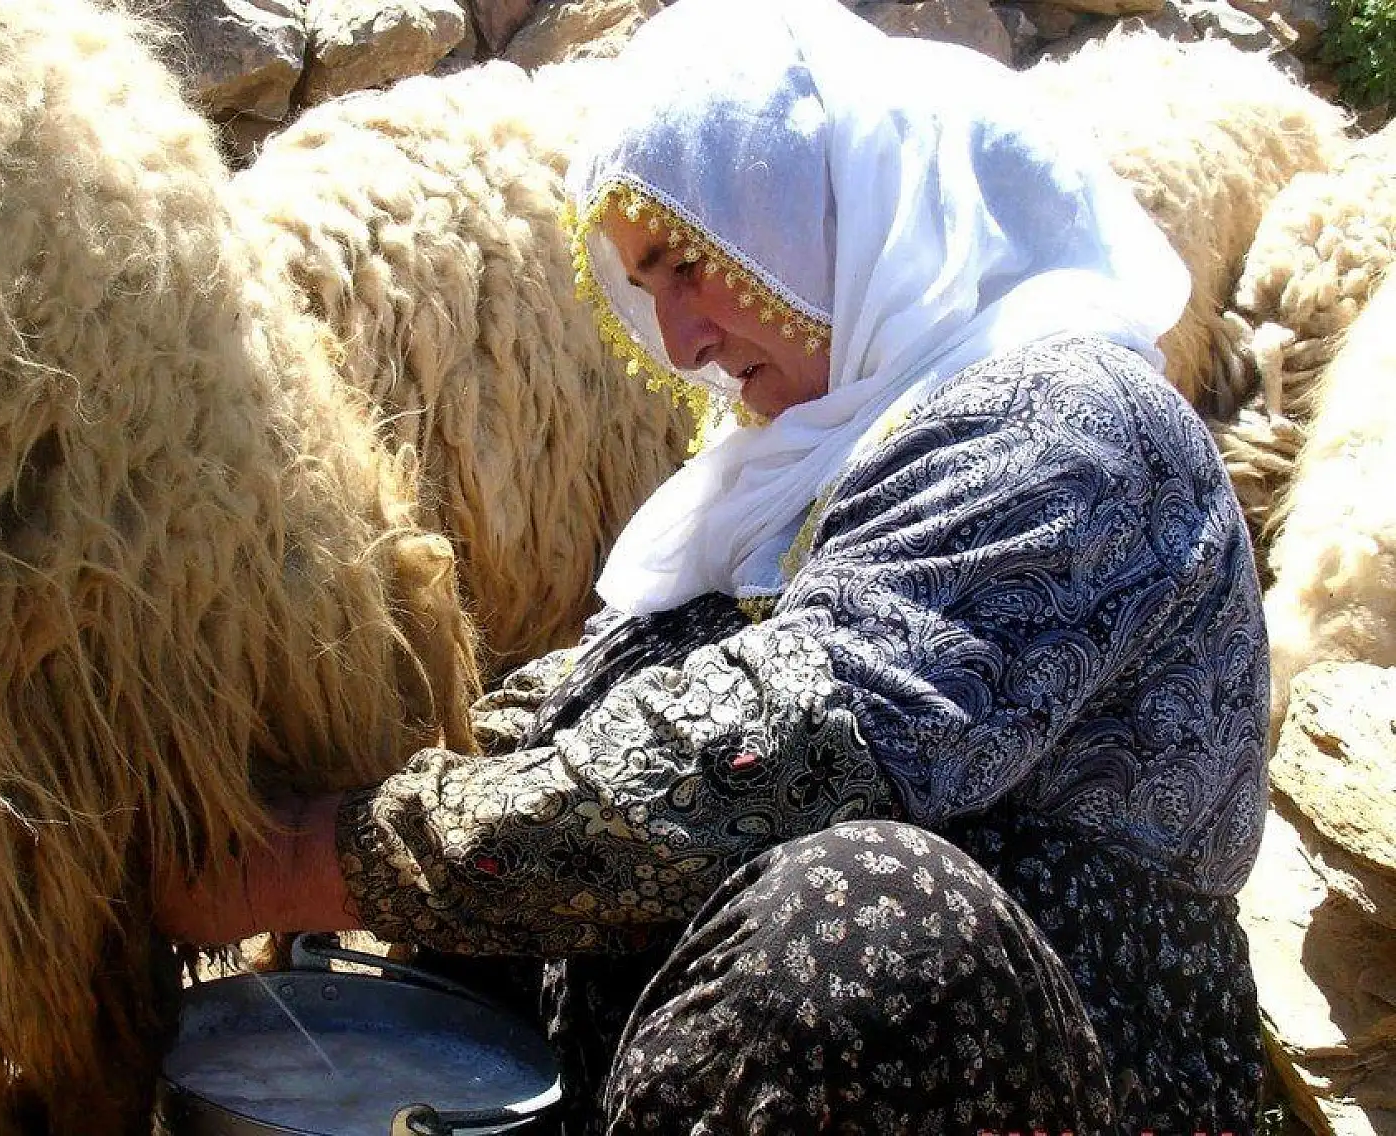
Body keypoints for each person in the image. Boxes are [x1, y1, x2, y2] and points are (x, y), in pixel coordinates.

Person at [158, 0, 1270, 1130]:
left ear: (834, 203)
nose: (680, 340)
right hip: (715, 1066)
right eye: (648, 288)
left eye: (691, 262)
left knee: (871, 920)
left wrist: (332, 854)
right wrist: (377, 773)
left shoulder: (1066, 424)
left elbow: (792, 745)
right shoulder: (807, 464)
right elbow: (618, 701)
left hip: (1062, 1067)